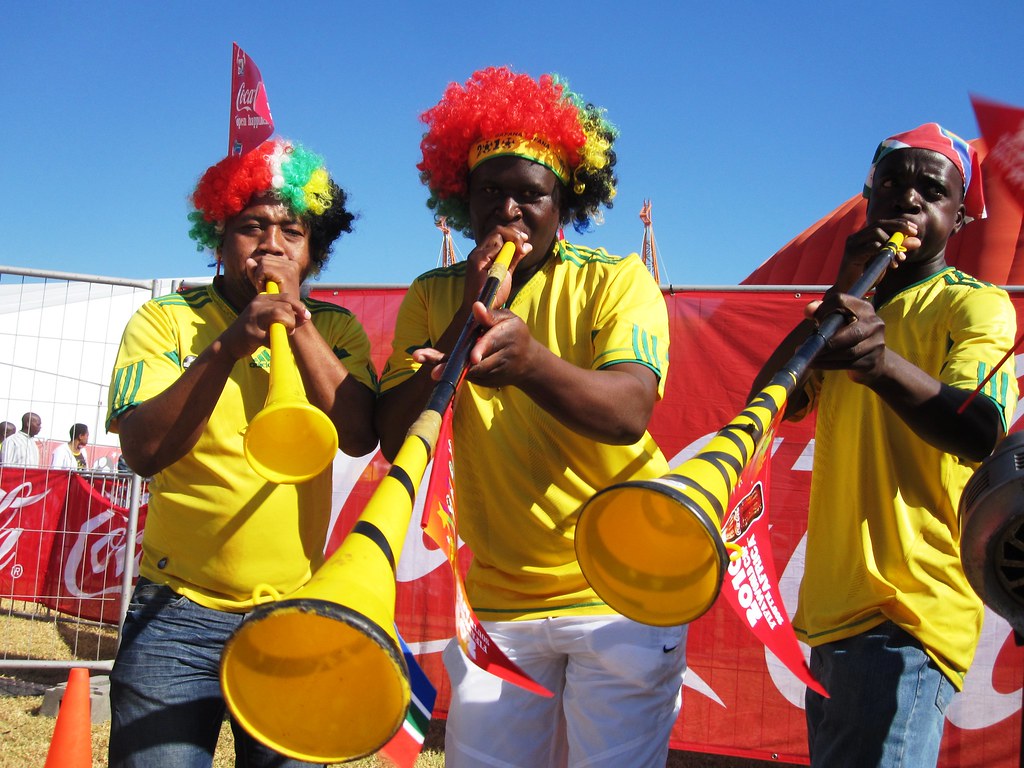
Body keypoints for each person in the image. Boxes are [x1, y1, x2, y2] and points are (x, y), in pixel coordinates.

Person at [375, 66, 686, 768]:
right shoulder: (431, 295)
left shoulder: (617, 280)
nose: (509, 211)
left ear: (565, 201)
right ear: (463, 200)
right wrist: (465, 319)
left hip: (624, 590)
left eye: (530, 195)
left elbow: (629, 411)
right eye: (491, 192)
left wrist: (532, 364)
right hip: (499, 603)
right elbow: (395, 438)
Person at [751, 124, 1019, 768]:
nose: (909, 200)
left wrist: (878, 363)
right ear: (867, 202)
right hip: (830, 612)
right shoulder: (844, 310)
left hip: (908, 612)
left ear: (959, 218)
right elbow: (767, 406)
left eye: (933, 190)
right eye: (892, 185)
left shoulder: (975, 306)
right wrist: (834, 299)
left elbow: (980, 429)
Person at [105, 138, 378, 767]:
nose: (272, 244)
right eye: (252, 226)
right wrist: (227, 346)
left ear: (315, 251)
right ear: (219, 237)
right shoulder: (165, 320)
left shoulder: (335, 328)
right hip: (176, 615)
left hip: (293, 614)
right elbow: (145, 451)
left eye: (293, 230)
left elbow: (361, 435)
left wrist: (298, 322)